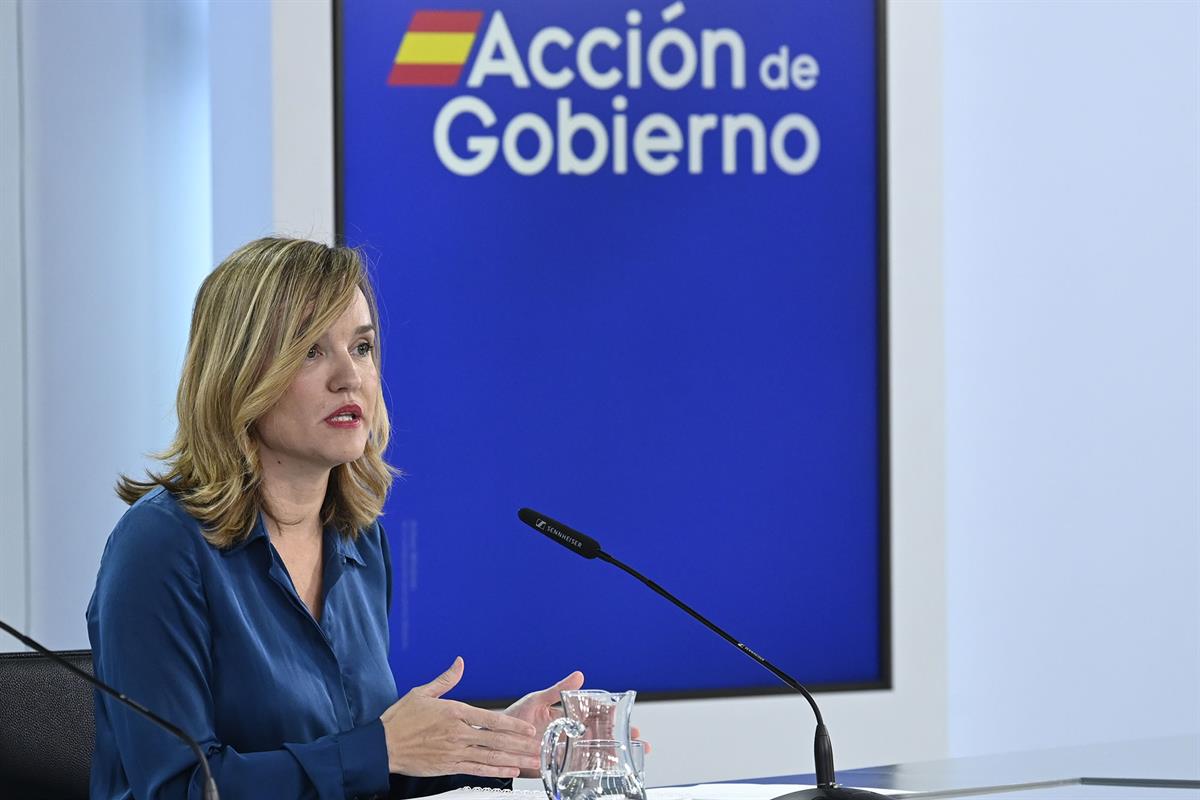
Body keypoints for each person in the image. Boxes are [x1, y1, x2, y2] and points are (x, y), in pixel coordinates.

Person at [86, 237, 584, 799]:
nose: (351, 377)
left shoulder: (359, 540)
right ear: (238, 373)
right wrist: (382, 748)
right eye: (310, 351)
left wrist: (493, 744)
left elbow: (358, 773)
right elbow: (177, 788)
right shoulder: (160, 545)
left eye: (362, 347)